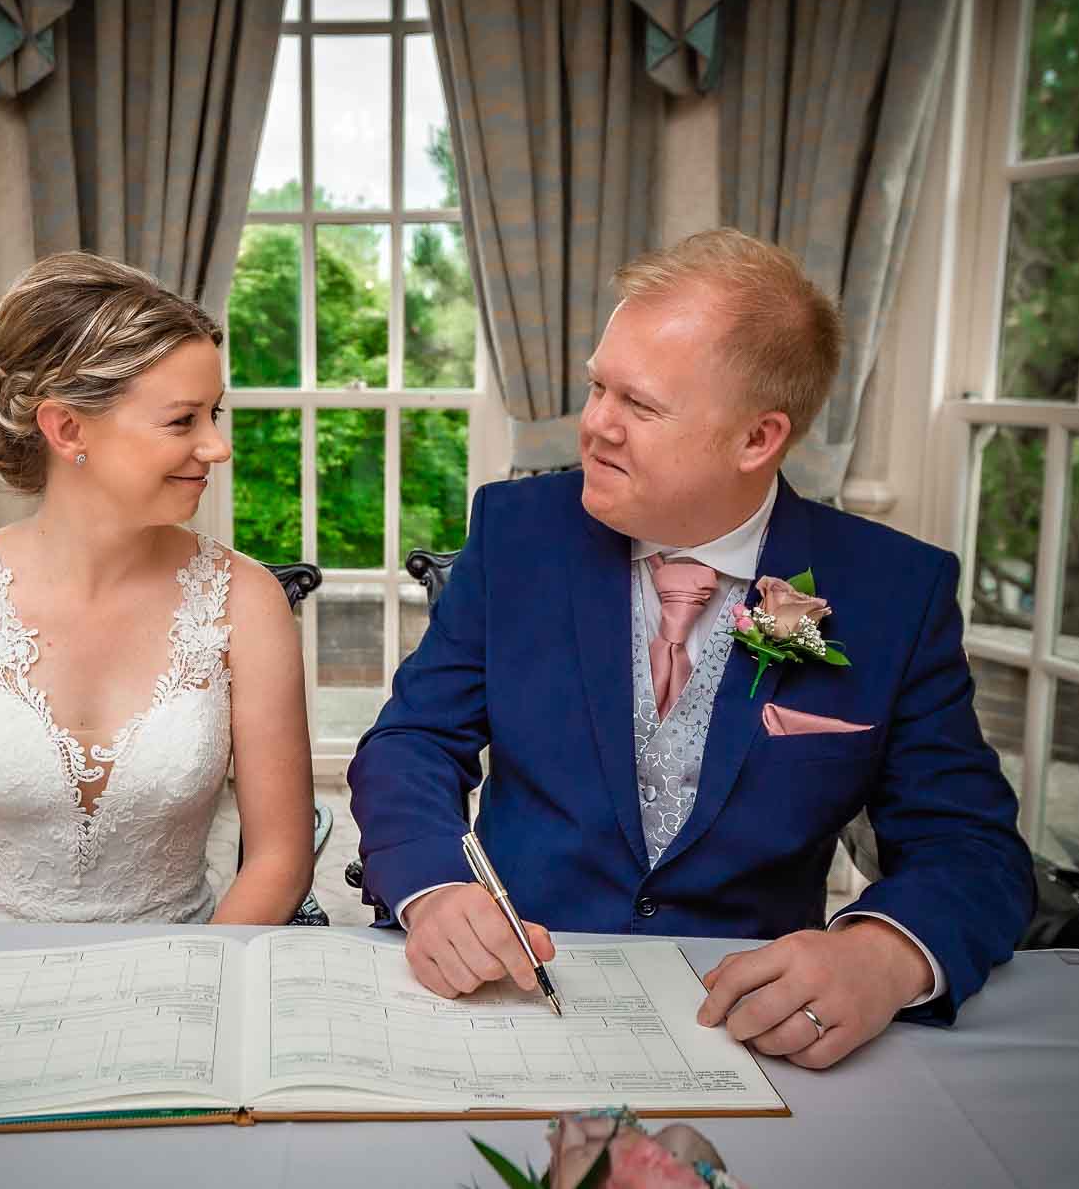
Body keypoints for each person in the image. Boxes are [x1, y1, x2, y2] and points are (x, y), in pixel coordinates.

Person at [349, 229, 1033, 1069]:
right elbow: (413, 741)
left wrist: (882, 955)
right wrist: (433, 887)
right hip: (514, 999)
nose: (594, 425)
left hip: (751, 1032)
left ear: (758, 439)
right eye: (598, 387)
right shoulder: (518, 532)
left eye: (638, 405)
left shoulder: (896, 591)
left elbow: (971, 845)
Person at [0, 252, 314, 925]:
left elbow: (279, 861)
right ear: (67, 429)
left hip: (185, 976)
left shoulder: (246, 602)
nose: (217, 447)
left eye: (214, 415)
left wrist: (193, 989)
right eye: (182, 420)